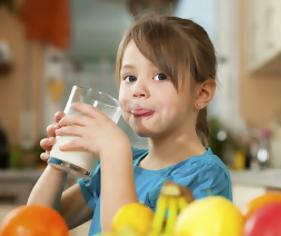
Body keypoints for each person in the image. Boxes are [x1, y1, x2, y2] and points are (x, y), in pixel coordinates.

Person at [27, 14, 232, 235]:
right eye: (130, 78)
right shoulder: (122, 164)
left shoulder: (207, 176)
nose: (137, 90)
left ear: (202, 93)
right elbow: (36, 225)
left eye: (160, 76)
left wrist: (115, 151)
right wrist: (59, 165)